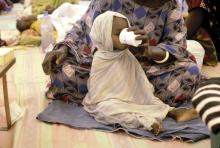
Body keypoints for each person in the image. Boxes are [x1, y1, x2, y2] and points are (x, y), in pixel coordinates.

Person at [42, 0, 205, 114]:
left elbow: (177, 45)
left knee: (189, 72)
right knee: (60, 68)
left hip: (145, 69)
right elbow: (83, 28)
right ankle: (139, 100)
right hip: (103, 66)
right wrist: (63, 48)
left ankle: (109, 98)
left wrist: (149, 51)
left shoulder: (170, 6)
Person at [83, 11, 199, 135]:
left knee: (148, 98)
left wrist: (148, 52)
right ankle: (145, 121)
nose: (124, 37)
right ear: (103, 36)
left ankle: (172, 111)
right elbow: (97, 94)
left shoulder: (127, 55)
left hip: (135, 97)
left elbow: (139, 80)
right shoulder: (101, 58)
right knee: (104, 109)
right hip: (108, 100)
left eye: (126, 31)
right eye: (118, 34)